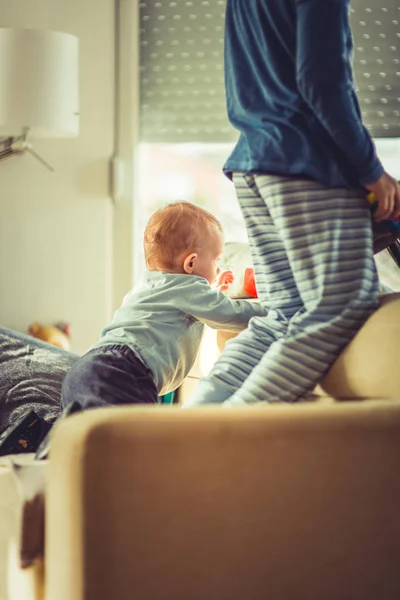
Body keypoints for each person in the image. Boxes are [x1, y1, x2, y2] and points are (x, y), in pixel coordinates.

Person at [185, 0, 400, 407]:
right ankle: (227, 434)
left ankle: (199, 419)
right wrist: (371, 170)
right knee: (340, 306)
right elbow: (323, 81)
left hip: (254, 161)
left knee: (285, 314)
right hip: (306, 161)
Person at [60, 201, 267, 411]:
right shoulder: (191, 289)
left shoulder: (145, 286)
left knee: (81, 437)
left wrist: (213, 289)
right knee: (138, 438)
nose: (219, 267)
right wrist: (274, 310)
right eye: (216, 260)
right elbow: (231, 314)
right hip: (124, 371)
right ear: (191, 263)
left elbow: (185, 303)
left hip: (86, 366)